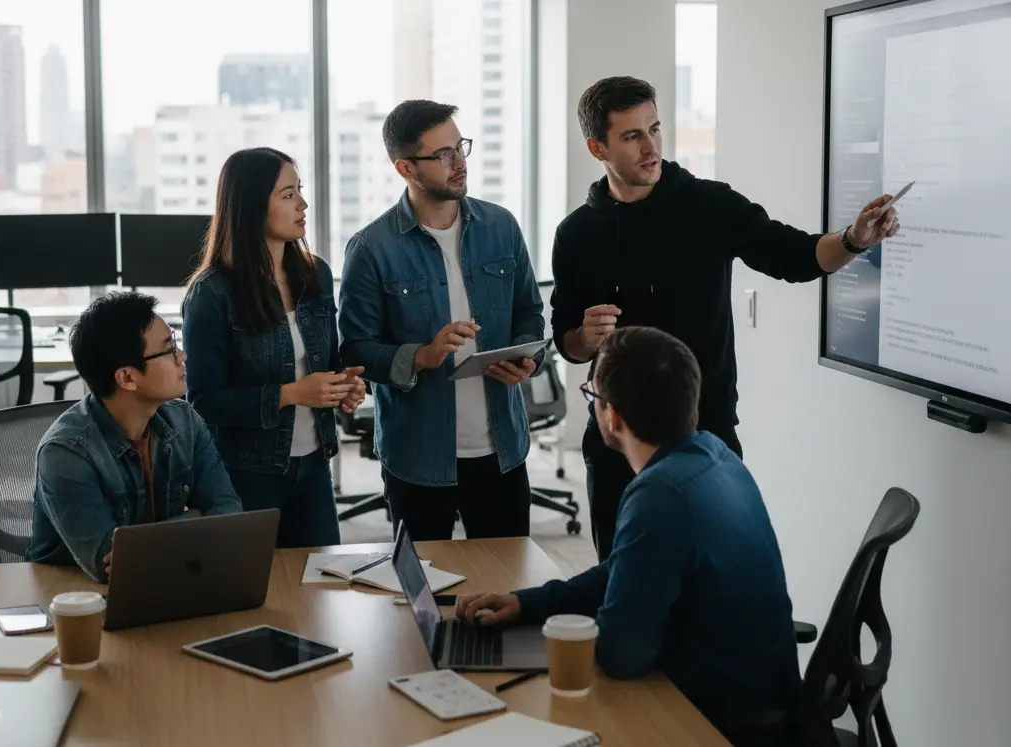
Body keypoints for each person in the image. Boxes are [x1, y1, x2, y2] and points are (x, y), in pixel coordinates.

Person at [551, 76, 902, 561]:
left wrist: (853, 240)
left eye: (654, 128)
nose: (651, 146)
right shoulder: (575, 233)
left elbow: (794, 255)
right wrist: (583, 339)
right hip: (617, 439)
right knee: (621, 584)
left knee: (711, 584)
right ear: (597, 147)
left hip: (705, 434)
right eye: (632, 136)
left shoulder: (710, 205)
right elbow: (565, 341)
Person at [456, 327, 802, 746]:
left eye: (592, 395)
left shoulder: (660, 495)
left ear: (612, 416)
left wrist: (550, 641)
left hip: (715, 722)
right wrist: (527, 603)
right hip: (761, 699)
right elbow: (623, 569)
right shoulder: (714, 454)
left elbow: (621, 656)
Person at [338, 99, 545, 542]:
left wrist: (527, 357)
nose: (460, 163)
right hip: (418, 457)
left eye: (460, 147)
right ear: (406, 169)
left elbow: (529, 311)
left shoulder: (501, 227)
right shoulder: (372, 249)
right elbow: (355, 350)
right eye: (443, 154)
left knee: (509, 590)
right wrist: (422, 356)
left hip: (502, 450)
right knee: (425, 598)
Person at [181, 147, 365, 549]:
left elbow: (326, 363)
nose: (302, 203)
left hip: (314, 465)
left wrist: (344, 385)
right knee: (255, 590)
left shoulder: (315, 274)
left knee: (322, 588)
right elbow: (203, 402)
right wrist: (292, 394)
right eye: (287, 194)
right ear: (251, 206)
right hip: (246, 472)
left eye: (299, 190)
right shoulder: (212, 293)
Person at [26, 292, 242, 583]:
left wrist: (142, 545)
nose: (183, 356)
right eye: (169, 350)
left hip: (167, 580)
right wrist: (198, 518)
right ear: (127, 378)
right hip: (73, 596)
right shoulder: (65, 451)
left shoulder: (184, 420)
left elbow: (229, 511)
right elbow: (107, 564)